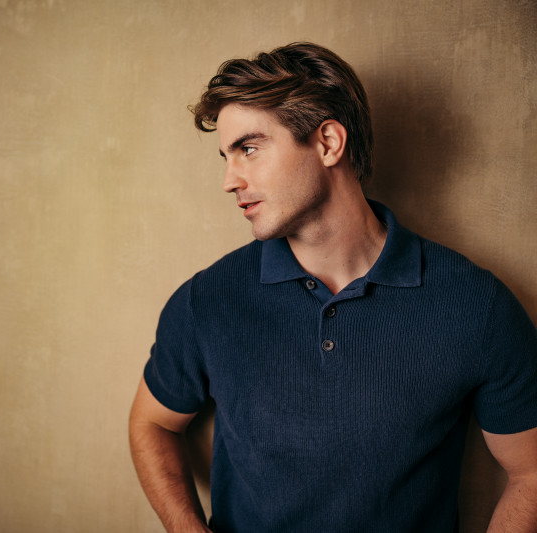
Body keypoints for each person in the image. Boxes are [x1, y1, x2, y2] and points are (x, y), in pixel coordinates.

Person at [128, 42, 537, 532]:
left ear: (327, 142)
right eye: (226, 156)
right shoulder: (206, 301)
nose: (229, 180)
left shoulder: (475, 305)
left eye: (248, 149)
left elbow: (530, 472)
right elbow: (151, 423)